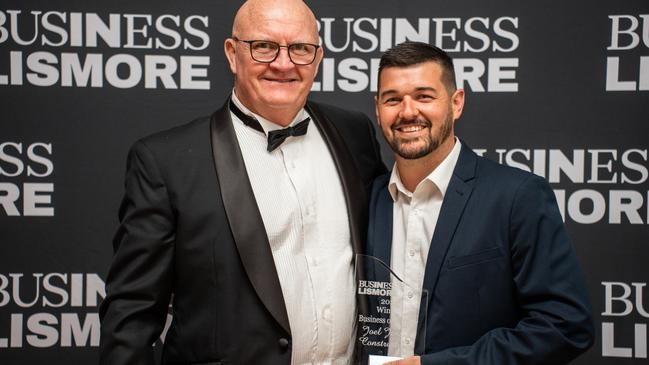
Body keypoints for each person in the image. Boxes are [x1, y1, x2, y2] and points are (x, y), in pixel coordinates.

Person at [99, 1, 386, 364]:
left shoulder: (355, 134)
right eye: (264, 46)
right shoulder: (165, 162)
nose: (283, 64)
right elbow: (132, 314)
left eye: (300, 48)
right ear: (233, 54)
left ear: (318, 58)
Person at [365, 41, 594, 365]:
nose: (407, 111)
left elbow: (566, 324)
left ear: (456, 103)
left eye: (424, 96)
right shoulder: (367, 199)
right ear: (377, 109)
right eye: (392, 99)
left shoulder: (517, 196)